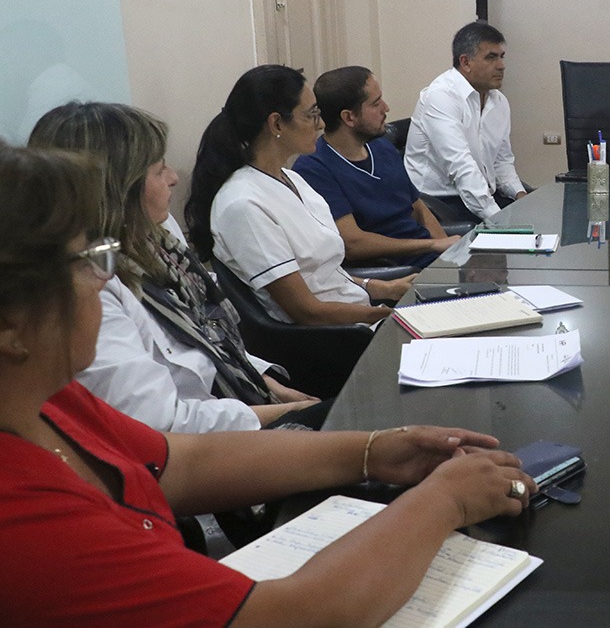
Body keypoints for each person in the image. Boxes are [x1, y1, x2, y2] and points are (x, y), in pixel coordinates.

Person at [0, 144, 537, 625]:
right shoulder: (23, 520)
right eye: (89, 261)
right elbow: (296, 613)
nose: (105, 281)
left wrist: (373, 451)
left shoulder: (53, 403)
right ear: (10, 326)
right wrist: (446, 500)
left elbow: (181, 463)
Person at [28, 101, 324, 433]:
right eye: (159, 170)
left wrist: (269, 386)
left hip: (234, 408)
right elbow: (160, 423)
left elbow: (207, 339)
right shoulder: (91, 289)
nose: (173, 178)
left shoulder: (158, 238)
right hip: (200, 444)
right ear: (118, 189)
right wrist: (279, 413)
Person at [186, 65, 414, 326]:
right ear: (277, 123)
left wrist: (386, 288)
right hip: (337, 336)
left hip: (359, 315)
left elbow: (321, 275)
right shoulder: (244, 205)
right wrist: (390, 316)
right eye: (312, 115)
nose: (321, 124)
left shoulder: (290, 178)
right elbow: (307, 310)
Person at [293, 66, 461, 269]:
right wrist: (431, 245)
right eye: (376, 103)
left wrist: (452, 257)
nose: (386, 108)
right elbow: (353, 243)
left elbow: (418, 208)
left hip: (431, 261)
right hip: (396, 270)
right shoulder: (314, 168)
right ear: (349, 117)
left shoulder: (381, 147)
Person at [404, 22, 528, 223]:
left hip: (480, 193)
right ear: (465, 62)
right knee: (519, 231)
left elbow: (501, 161)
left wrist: (520, 195)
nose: (501, 65)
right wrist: (498, 221)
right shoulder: (441, 96)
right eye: (491, 57)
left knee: (539, 218)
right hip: (438, 204)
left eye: (501, 56)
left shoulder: (499, 101)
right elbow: (461, 167)